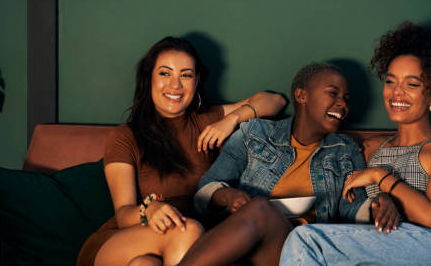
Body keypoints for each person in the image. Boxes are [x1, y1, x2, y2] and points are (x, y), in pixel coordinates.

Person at [77, 36, 286, 266]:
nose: (175, 85)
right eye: (165, 73)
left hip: (180, 244)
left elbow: (275, 101)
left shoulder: (207, 120)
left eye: (186, 75)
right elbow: (124, 215)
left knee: (144, 264)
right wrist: (150, 208)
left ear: (196, 81)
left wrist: (233, 119)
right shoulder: (126, 136)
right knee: (186, 230)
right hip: (121, 242)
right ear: (149, 78)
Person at [280, 22, 431, 266]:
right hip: (383, 249)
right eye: (391, 81)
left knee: (307, 241)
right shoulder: (371, 148)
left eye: (412, 84)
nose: (397, 93)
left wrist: (378, 176)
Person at [177, 63, 399, 266]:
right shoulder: (254, 133)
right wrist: (229, 196)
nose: (342, 104)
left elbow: (352, 208)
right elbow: (205, 190)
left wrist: (379, 204)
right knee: (258, 209)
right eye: (333, 93)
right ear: (302, 95)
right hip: (246, 250)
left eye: (346, 99)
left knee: (260, 208)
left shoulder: (345, 150)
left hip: (303, 254)